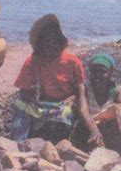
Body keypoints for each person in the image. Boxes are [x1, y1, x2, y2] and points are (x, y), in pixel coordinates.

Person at [11, 14, 103, 146]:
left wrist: (93, 129)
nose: (51, 46)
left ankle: (57, 146)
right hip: (41, 105)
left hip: (63, 105)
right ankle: (18, 144)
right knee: (20, 105)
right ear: (40, 44)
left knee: (64, 112)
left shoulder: (72, 62)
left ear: (61, 42)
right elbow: (23, 90)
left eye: (55, 42)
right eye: (47, 43)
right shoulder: (33, 60)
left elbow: (81, 94)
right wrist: (29, 97)